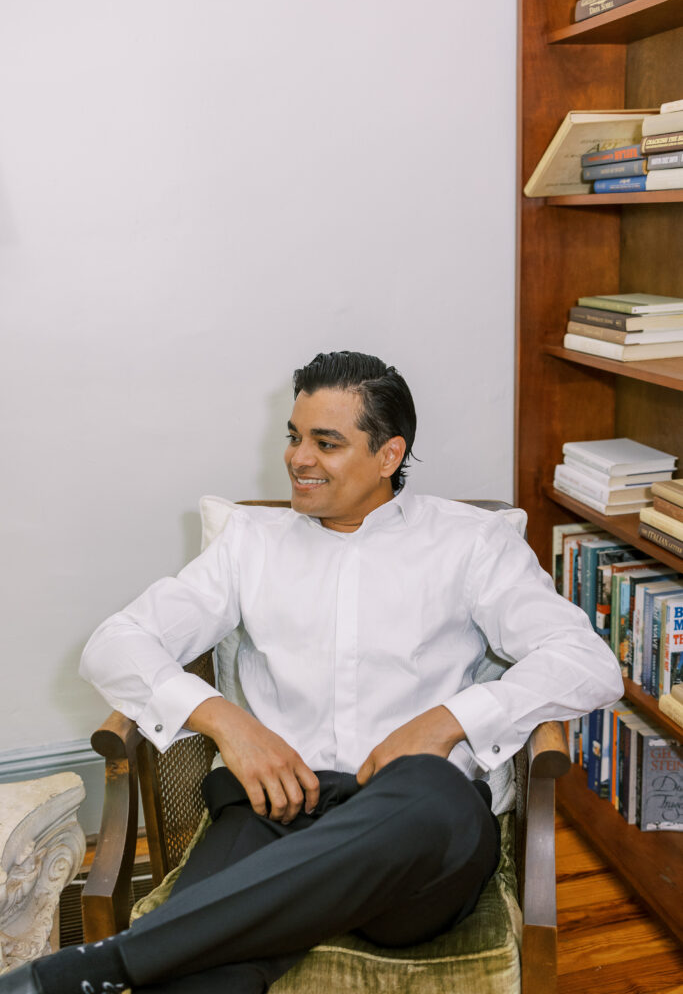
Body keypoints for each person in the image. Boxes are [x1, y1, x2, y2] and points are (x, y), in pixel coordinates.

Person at [0, 351, 624, 994]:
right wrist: (228, 723)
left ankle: (97, 968)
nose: (299, 458)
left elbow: (587, 664)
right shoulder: (251, 543)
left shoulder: (472, 543)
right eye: (295, 437)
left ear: (388, 455)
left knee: (433, 792)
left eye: (326, 443)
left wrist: (448, 722)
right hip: (269, 812)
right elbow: (114, 644)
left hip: (417, 831)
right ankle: (167, 949)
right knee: (203, 975)